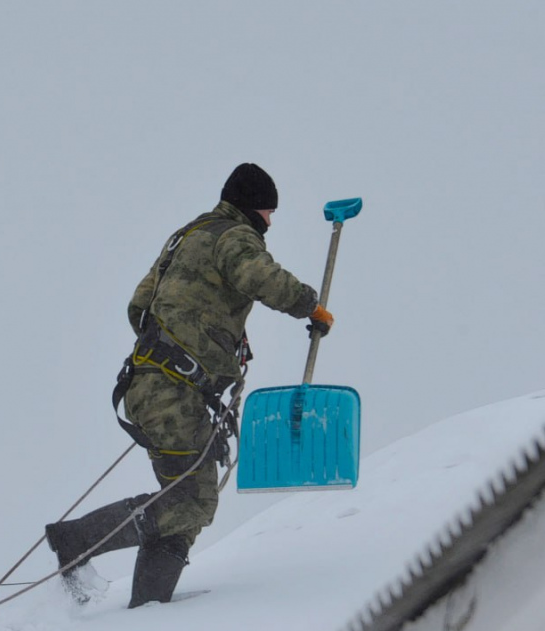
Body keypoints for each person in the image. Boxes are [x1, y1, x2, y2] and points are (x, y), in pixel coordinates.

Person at [45, 163, 334, 608]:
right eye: (269, 212)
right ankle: (75, 540)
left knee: (184, 507)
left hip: (149, 383)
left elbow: (139, 307)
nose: (271, 222)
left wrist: (197, 333)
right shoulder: (236, 236)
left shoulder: (187, 235)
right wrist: (310, 306)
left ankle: (148, 608)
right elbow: (262, 278)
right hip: (171, 392)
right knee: (194, 502)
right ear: (252, 207)